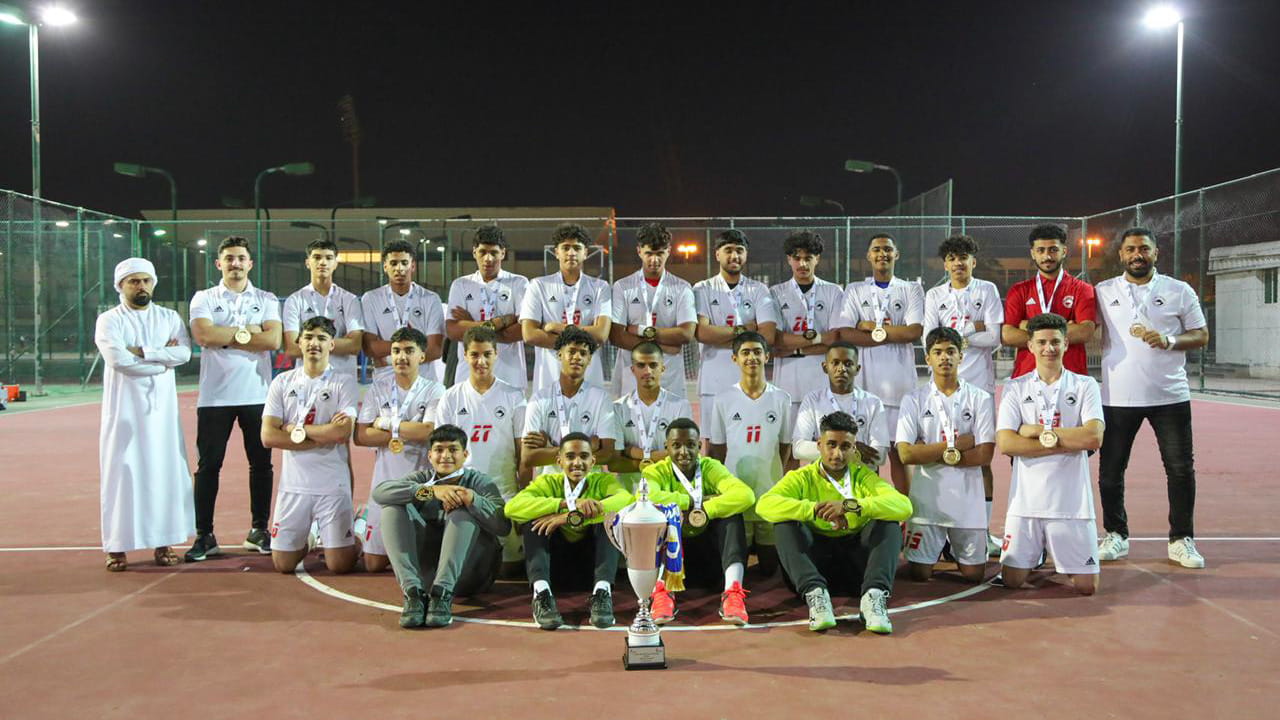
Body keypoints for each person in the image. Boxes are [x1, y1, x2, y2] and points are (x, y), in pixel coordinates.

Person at [1094, 227, 1209, 568]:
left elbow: (1201, 334)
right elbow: (1084, 329)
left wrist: (1170, 341)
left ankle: (1181, 539)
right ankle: (1116, 535)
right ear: (1121, 255)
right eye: (1130, 249)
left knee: (1180, 469)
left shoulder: (1178, 290)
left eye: (1144, 248)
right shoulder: (1103, 291)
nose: (1137, 254)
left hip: (1169, 394)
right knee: (1110, 471)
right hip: (1117, 396)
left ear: (1156, 253)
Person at [758, 411, 912, 633]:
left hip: (857, 570)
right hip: (815, 564)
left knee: (889, 524)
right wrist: (813, 510)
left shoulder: (863, 476)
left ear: (854, 449)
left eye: (845, 447)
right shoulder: (801, 477)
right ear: (819, 445)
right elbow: (765, 504)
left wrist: (853, 505)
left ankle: (873, 598)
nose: (837, 454)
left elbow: (904, 506)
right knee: (784, 524)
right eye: (831, 445)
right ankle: (816, 597)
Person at [186, 236, 283, 561]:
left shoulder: (267, 298)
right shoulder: (204, 297)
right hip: (214, 397)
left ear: (250, 263)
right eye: (229, 258)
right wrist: (247, 334)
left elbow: (272, 339)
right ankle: (205, 535)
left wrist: (227, 337)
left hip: (257, 395)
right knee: (208, 466)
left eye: (241, 258)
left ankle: (259, 530)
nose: (235, 264)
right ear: (219, 263)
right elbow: (204, 335)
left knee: (261, 464)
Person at [995, 313, 1104, 595]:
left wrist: (1037, 432)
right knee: (1012, 581)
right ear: (1029, 346)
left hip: (1072, 504)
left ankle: (1057, 550)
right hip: (1026, 504)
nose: (1049, 348)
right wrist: (1070, 438)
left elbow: (1093, 437)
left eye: (1055, 341)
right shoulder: (1015, 388)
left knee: (1086, 587)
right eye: (1041, 342)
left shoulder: (1085, 386)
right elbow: (1007, 444)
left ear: (1066, 343)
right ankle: (1038, 551)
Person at [96, 258, 193, 571]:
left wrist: (143, 351)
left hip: (162, 416)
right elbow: (117, 359)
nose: (141, 287)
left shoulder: (168, 317)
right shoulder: (109, 320)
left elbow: (185, 353)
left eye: (145, 281)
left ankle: (164, 543)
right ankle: (117, 547)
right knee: (122, 474)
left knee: (164, 473)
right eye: (133, 281)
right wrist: (161, 360)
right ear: (121, 286)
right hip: (123, 414)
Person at [371, 424, 511, 628]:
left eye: (453, 450)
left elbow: (503, 527)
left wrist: (472, 499)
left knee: (462, 507)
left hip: (472, 574)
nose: (445, 455)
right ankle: (413, 593)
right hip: (428, 576)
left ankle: (443, 593)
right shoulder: (423, 480)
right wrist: (430, 492)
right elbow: (380, 493)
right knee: (392, 508)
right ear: (429, 456)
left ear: (465, 455)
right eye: (439, 450)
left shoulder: (480, 481)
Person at [922, 234, 1004, 556]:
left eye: (964, 256)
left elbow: (995, 335)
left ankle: (982, 531)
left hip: (979, 386)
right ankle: (939, 532)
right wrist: (974, 328)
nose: (958, 262)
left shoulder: (987, 290)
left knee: (981, 458)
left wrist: (962, 334)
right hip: (940, 388)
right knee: (939, 456)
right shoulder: (934, 294)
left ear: (974, 261)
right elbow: (931, 337)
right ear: (945, 264)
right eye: (952, 257)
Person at [260, 316, 360, 575]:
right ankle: (313, 536)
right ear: (299, 342)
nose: (314, 343)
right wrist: (320, 436)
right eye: (309, 337)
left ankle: (359, 527)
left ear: (332, 345)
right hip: (294, 486)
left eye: (322, 338)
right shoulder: (282, 382)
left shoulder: (344, 382)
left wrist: (294, 431)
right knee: (283, 564)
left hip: (331, 484)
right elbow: (268, 436)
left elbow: (342, 432)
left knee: (341, 566)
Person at [504, 433, 633, 630]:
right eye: (570, 456)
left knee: (611, 519)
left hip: (592, 568)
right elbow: (512, 508)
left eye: (583, 456)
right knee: (533, 520)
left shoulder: (603, 481)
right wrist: (565, 503)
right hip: (554, 567)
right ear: (559, 461)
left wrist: (568, 516)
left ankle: (602, 594)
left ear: (593, 461)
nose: (577, 462)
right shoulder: (547, 483)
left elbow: (625, 500)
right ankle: (541, 594)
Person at [896, 327, 996, 583]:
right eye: (937, 352)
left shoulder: (980, 398)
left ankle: (950, 545)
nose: (944, 358)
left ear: (961, 356)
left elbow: (985, 455)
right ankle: (936, 544)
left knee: (974, 575)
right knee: (920, 574)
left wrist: (927, 451)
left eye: (951, 351)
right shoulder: (913, 399)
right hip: (928, 501)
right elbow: (906, 454)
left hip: (967, 501)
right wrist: (958, 446)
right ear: (927, 358)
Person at [639, 418, 755, 625]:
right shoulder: (655, 471)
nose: (684, 452)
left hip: (711, 562)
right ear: (666, 447)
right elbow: (648, 497)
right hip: (673, 563)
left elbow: (745, 495)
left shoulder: (710, 467)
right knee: (659, 515)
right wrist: (693, 502)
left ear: (699, 446)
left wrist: (706, 511)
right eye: (676, 445)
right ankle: (662, 592)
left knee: (732, 514)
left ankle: (732, 593)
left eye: (690, 445)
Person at [836, 233, 925, 493]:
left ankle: (905, 515)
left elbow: (913, 332)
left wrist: (868, 328)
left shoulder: (911, 289)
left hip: (900, 386)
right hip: (865, 386)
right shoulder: (855, 289)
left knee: (900, 453)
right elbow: (844, 333)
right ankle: (870, 513)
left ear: (896, 255)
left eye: (888, 249)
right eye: (876, 249)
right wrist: (886, 333)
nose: (882, 254)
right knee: (867, 453)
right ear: (868, 255)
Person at [435, 325, 527, 574]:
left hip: (503, 496)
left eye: (487, 354)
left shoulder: (514, 396)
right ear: (465, 356)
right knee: (465, 572)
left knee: (510, 570)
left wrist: (522, 498)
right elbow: (442, 454)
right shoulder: (451, 397)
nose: (481, 361)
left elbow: (523, 455)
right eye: (475, 355)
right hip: (463, 494)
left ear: (496, 354)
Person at [354, 327, 445, 573]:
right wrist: (407, 430)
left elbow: (429, 432)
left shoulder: (435, 390)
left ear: (422, 357)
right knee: (373, 565)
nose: (401, 357)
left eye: (408, 351)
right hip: (384, 486)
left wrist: (385, 424)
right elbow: (361, 435)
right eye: (396, 351)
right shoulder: (379, 388)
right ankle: (361, 524)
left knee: (419, 564)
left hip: (422, 489)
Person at [709, 331, 793, 577]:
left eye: (757, 351)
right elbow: (718, 448)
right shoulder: (723, 399)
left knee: (769, 569)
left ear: (767, 356)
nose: (751, 357)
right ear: (735, 358)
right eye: (745, 352)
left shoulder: (781, 398)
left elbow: (785, 445)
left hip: (769, 492)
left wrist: (775, 476)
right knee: (737, 566)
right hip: (738, 493)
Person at [693, 229, 779, 448]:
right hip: (713, 381)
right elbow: (702, 333)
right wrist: (747, 330)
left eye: (739, 251)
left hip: (751, 382)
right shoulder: (702, 289)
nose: (734, 256)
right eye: (728, 250)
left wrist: (719, 334)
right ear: (717, 254)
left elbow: (767, 335)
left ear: (746, 255)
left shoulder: (759, 290)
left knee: (751, 442)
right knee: (714, 447)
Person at [519, 223, 612, 391]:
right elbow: (529, 335)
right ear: (556, 252)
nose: (571, 253)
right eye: (566, 247)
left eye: (577, 248)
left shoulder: (600, 287)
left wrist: (557, 327)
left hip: (589, 378)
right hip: (549, 378)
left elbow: (601, 334)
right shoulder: (538, 286)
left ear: (585, 253)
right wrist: (581, 342)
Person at [609, 222, 697, 398]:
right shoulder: (622, 287)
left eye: (660, 254)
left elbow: (686, 334)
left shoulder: (682, 288)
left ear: (669, 251)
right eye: (649, 253)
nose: (654, 260)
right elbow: (616, 336)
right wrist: (665, 345)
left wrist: (639, 331)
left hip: (669, 376)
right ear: (639, 251)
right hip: (632, 374)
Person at [769, 230, 845, 426]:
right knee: (790, 447)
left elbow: (835, 338)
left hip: (821, 381)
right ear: (789, 259)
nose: (802, 264)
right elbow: (776, 339)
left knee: (823, 443)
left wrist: (794, 347)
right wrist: (820, 339)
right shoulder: (776, 293)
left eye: (808, 258)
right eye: (797, 258)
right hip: (787, 381)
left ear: (817, 259)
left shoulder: (833, 291)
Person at [520, 327, 617, 481]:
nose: (577, 357)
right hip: (552, 483)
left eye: (583, 353)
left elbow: (608, 454)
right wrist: (587, 447)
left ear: (589, 359)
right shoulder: (539, 398)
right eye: (571, 351)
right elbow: (529, 457)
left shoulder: (601, 398)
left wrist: (549, 448)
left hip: (591, 483)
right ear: (559, 354)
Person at [1001, 223, 1096, 377]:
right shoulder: (1019, 290)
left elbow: (1085, 332)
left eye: (1053, 250)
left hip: (1072, 376)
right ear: (1033, 253)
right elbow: (1008, 335)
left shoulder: (1082, 289)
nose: (1047, 256)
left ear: (1064, 251)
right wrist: (1065, 328)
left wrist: (1028, 327)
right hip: (1027, 376)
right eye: (1041, 250)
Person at [445, 224, 529, 390]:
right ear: (474, 252)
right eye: (483, 252)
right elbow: (453, 331)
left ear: (503, 253)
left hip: (509, 376)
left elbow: (522, 330)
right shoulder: (461, 285)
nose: (488, 258)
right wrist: (501, 322)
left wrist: (472, 328)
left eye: (494, 252)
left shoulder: (519, 283)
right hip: (467, 377)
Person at [791, 342, 889, 472]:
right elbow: (798, 448)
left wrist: (829, 449)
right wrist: (849, 449)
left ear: (857, 369)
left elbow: (880, 456)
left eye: (848, 364)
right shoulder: (813, 400)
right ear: (825, 367)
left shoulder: (873, 402)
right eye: (835, 363)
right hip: (825, 480)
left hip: (861, 480)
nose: (841, 368)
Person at [609, 341, 692, 492]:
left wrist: (632, 452)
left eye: (653, 365)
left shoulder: (680, 405)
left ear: (662, 368)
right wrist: (657, 459)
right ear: (632, 370)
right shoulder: (618, 408)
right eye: (641, 365)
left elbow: (683, 458)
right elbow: (614, 463)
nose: (647, 371)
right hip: (630, 492)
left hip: (668, 490)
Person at [360, 238, 446, 383]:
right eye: (393, 263)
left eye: (404, 263)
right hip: (385, 384)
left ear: (412, 266)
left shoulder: (431, 299)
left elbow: (435, 349)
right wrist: (414, 348)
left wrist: (389, 355)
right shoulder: (371, 299)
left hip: (423, 383)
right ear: (385, 266)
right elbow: (369, 347)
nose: (399, 268)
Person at [282, 238, 364, 376]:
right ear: (308, 262)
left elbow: (355, 346)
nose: (323, 262)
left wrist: (309, 343)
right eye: (317, 257)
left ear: (335, 263)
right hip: (307, 380)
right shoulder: (294, 300)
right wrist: (340, 343)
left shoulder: (349, 299)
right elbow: (292, 348)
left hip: (342, 378)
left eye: (329, 258)